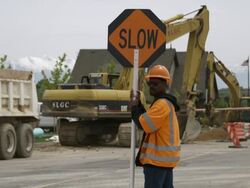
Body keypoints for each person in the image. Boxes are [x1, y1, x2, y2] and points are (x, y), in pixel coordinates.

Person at [131, 64, 181, 188]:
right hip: (164, 161)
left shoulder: (162, 104)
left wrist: (134, 108)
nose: (152, 86)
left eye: (156, 84)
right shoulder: (164, 103)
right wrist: (139, 106)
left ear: (165, 84)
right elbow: (148, 119)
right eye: (150, 84)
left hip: (157, 161)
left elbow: (145, 124)